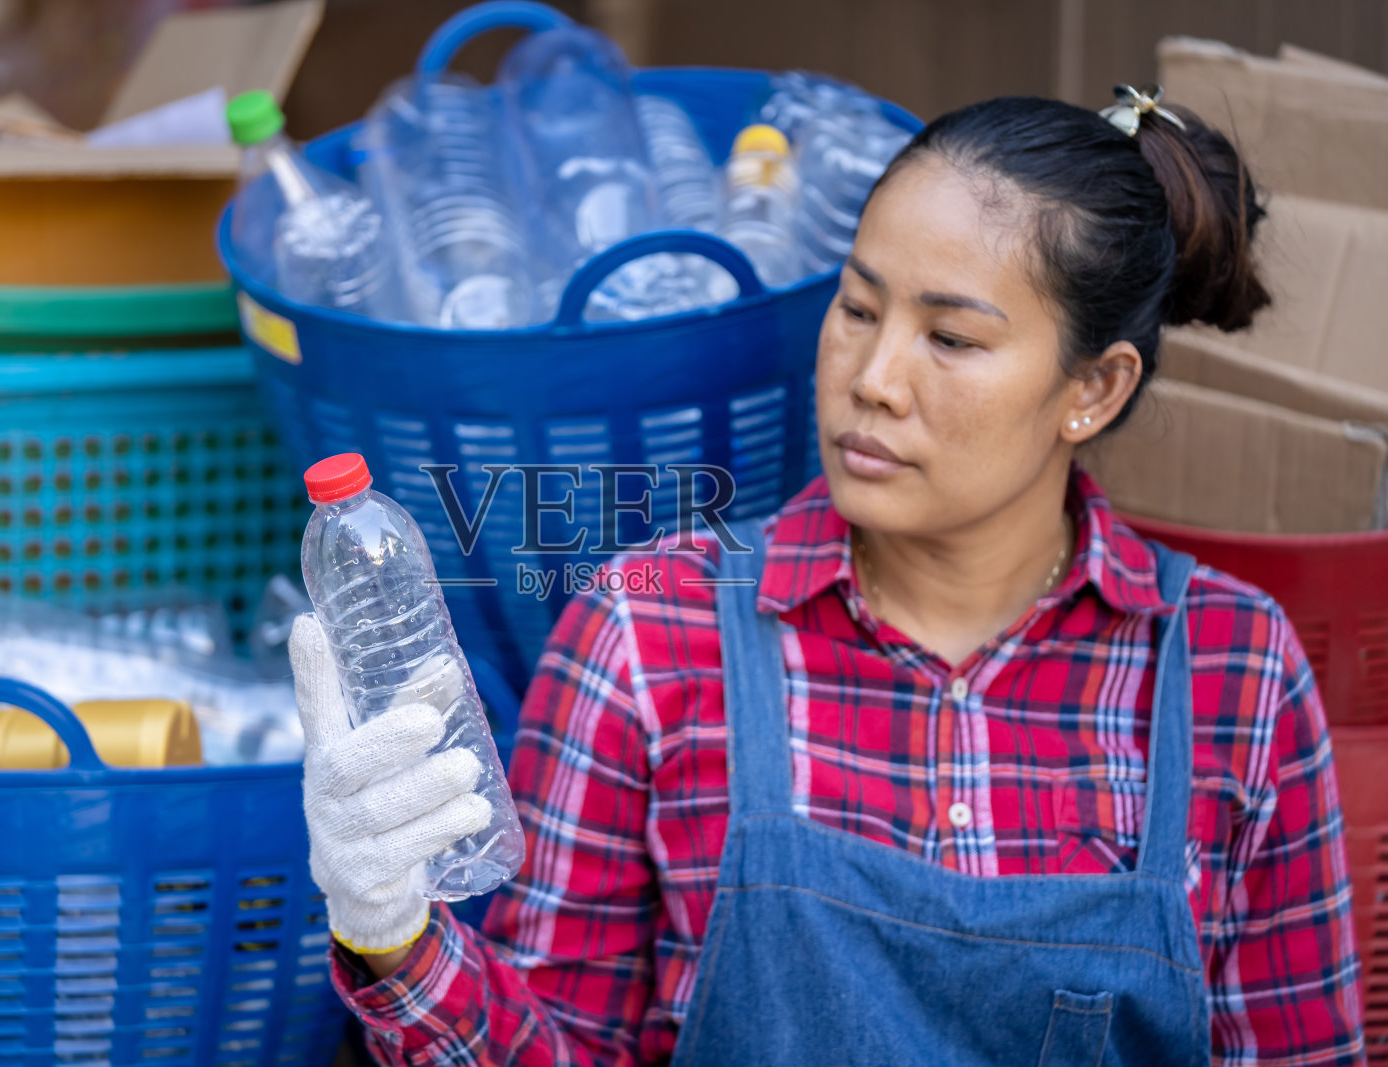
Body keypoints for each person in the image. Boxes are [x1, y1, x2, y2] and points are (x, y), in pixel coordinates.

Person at [290, 85, 1365, 1065]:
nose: (873, 377)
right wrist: (396, 941)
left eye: (948, 338)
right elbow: (557, 1043)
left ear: (1091, 387)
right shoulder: (652, 637)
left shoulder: (1236, 670)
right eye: (857, 308)